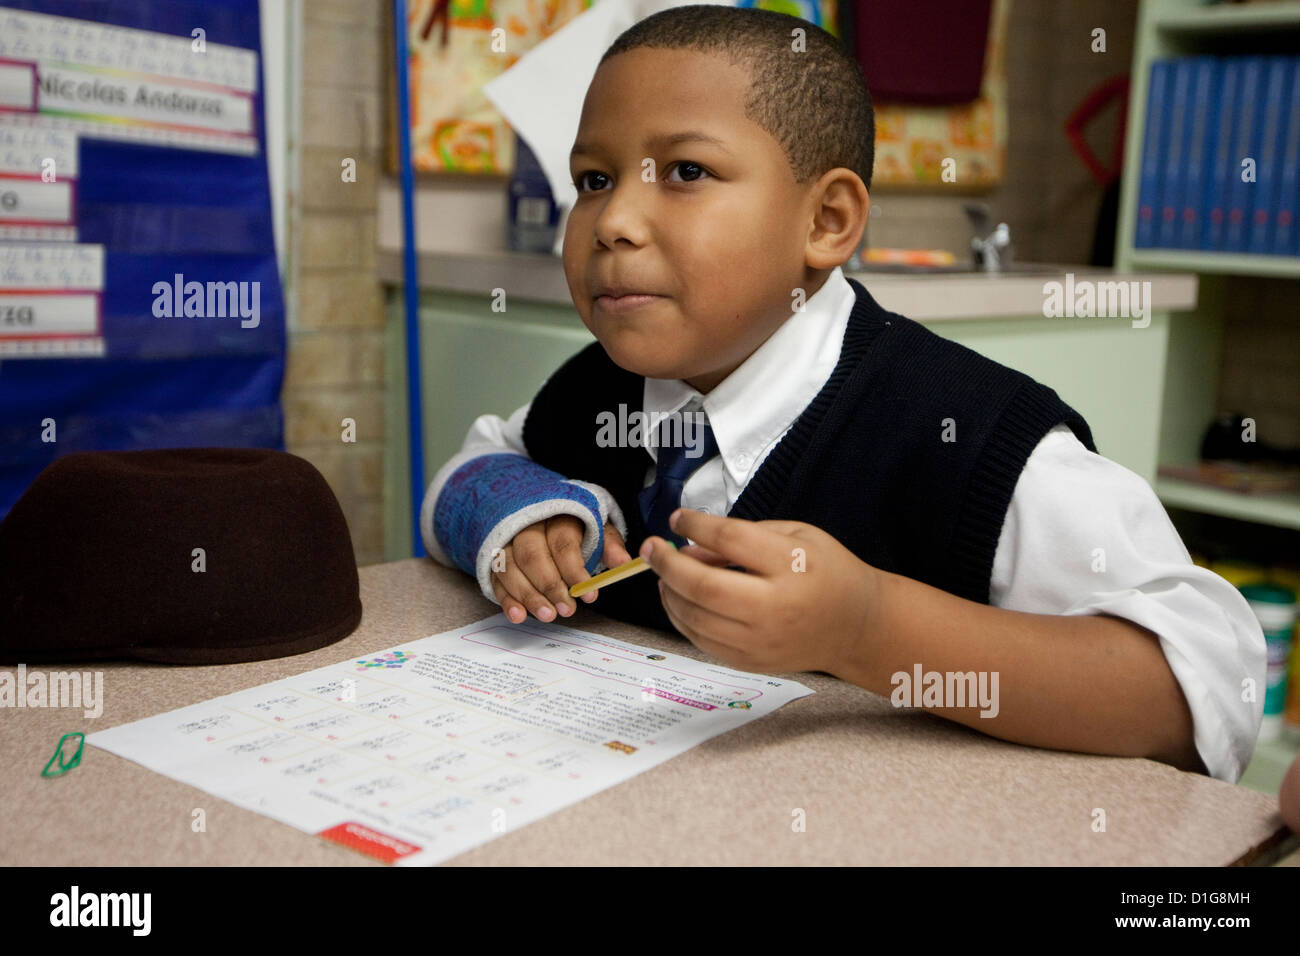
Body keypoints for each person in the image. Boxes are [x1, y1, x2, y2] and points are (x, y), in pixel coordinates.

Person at [422, 5, 1264, 783]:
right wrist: (529, 515)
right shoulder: (595, 389)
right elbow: (480, 460)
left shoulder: (962, 433)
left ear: (826, 222)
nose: (612, 221)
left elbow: (1206, 686)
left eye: (684, 170)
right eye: (596, 179)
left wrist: (870, 629)